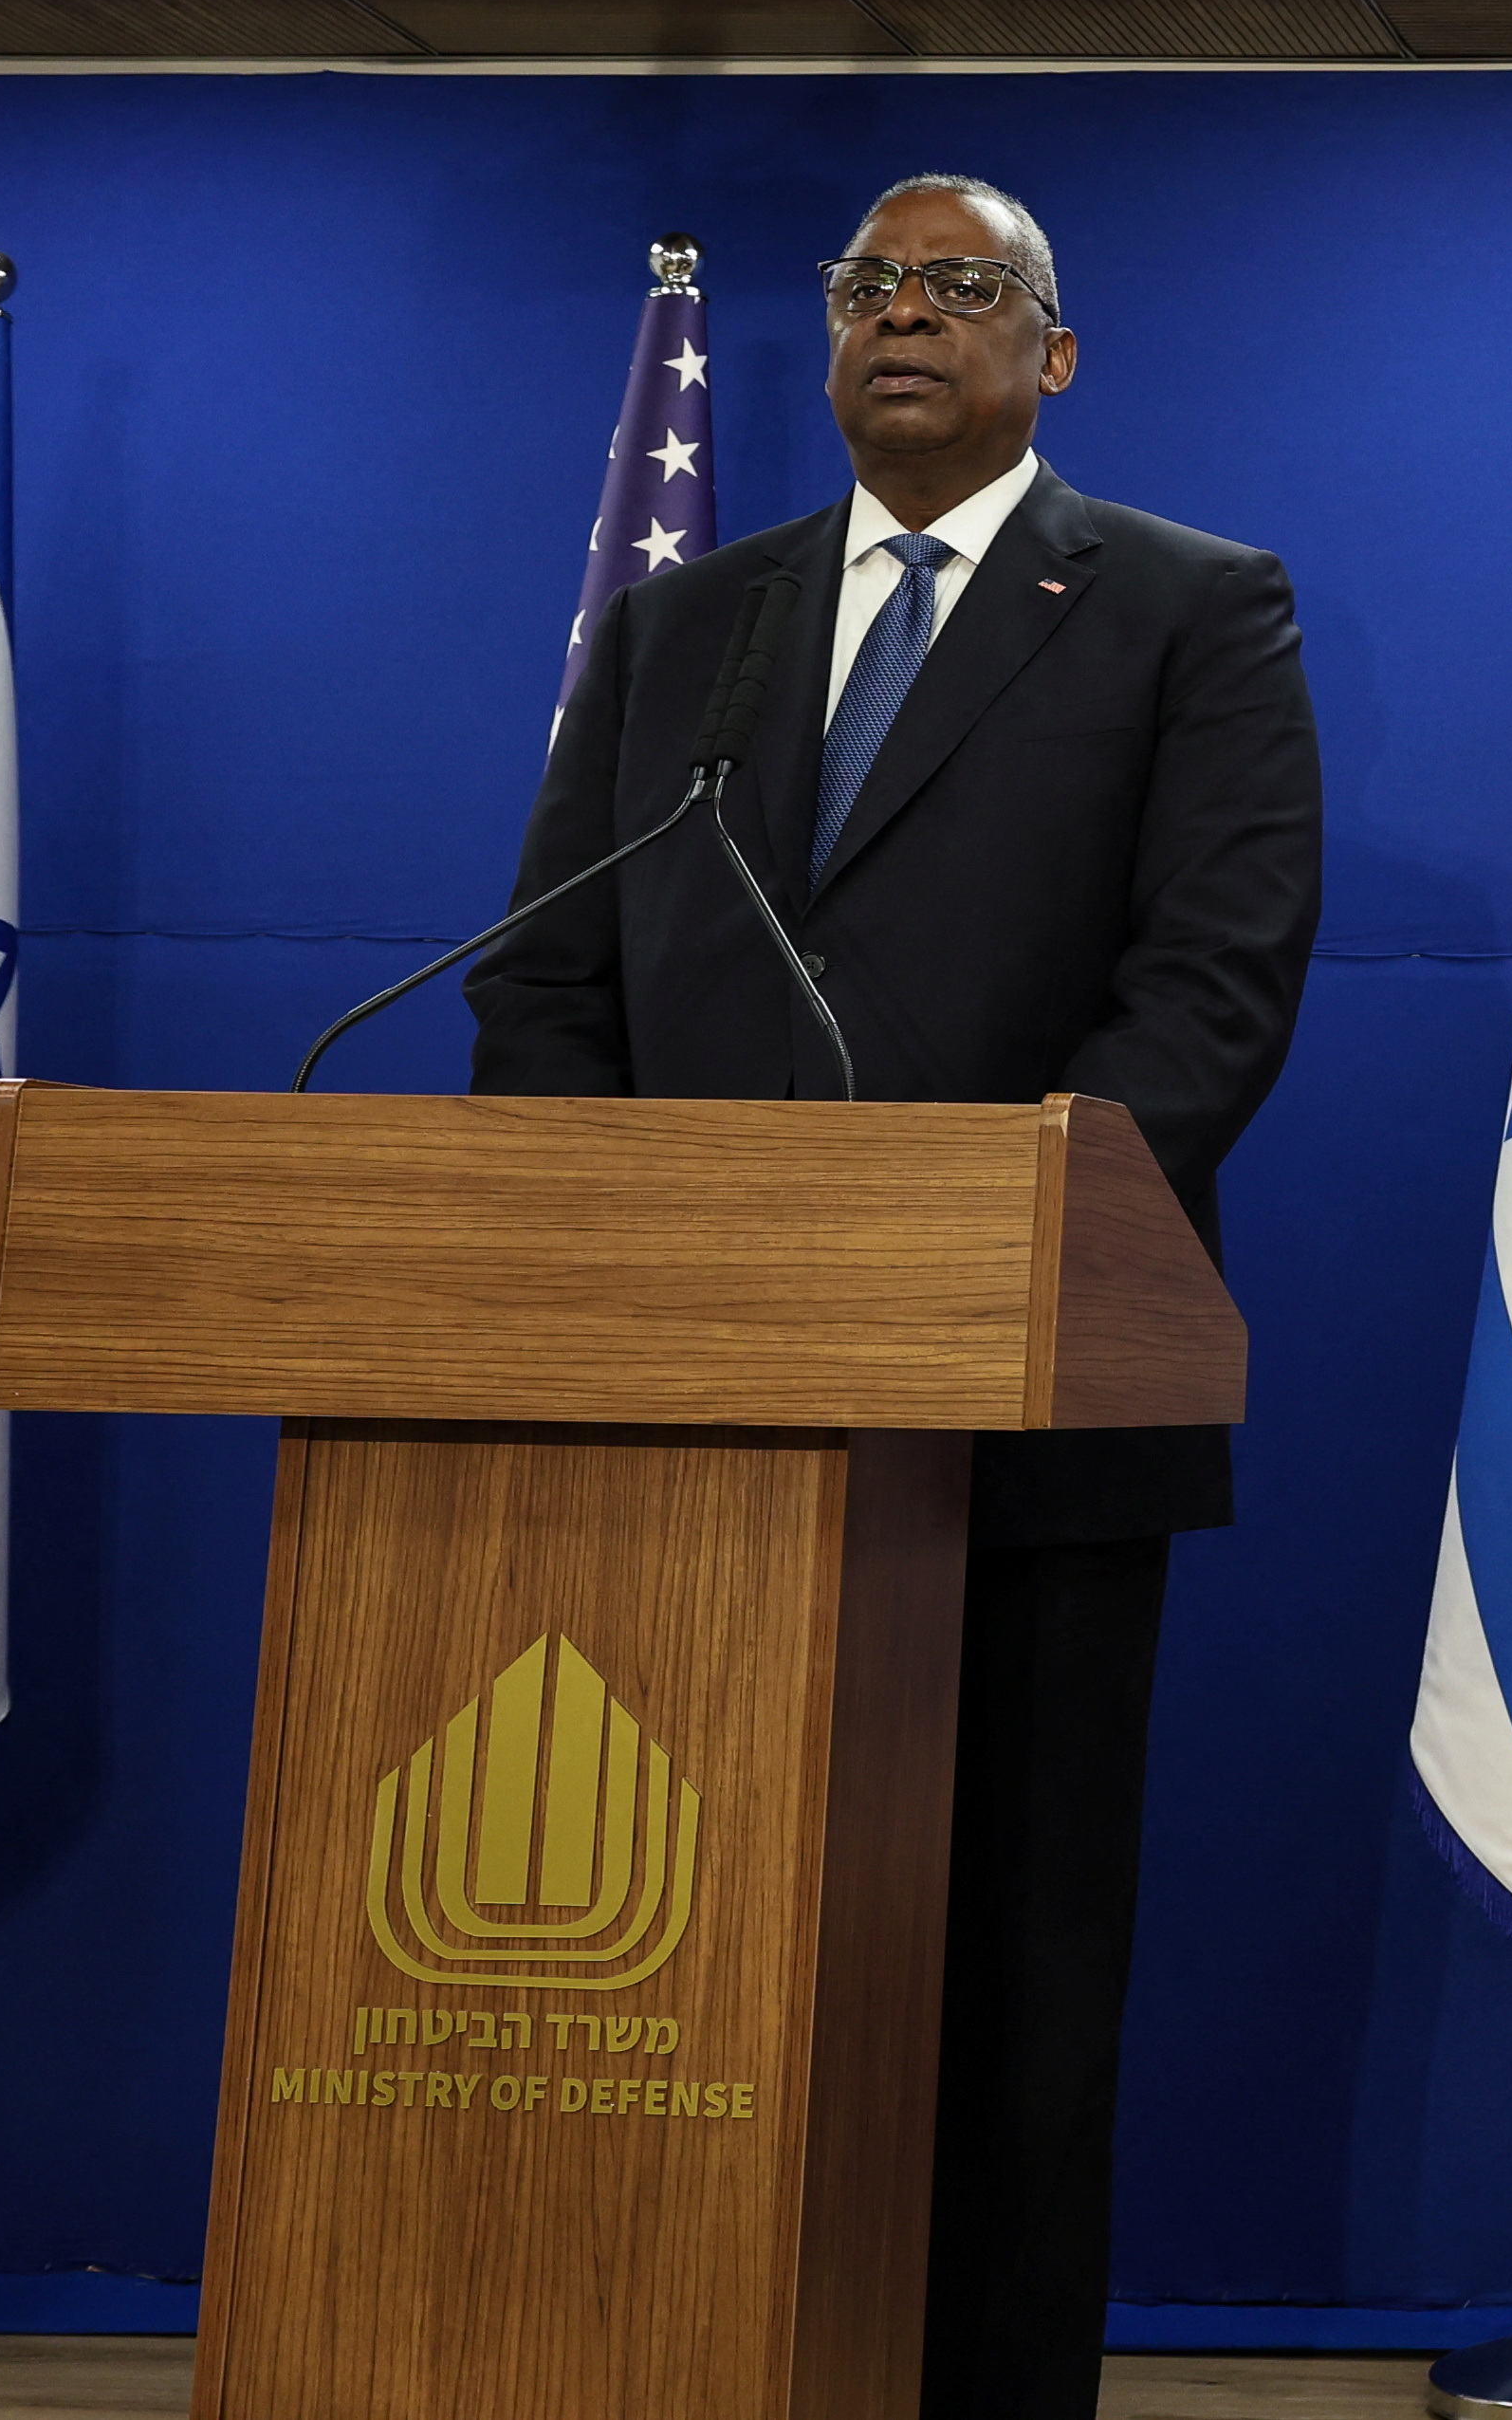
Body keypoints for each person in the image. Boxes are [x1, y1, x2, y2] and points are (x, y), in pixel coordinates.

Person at [470, 174, 1321, 2420]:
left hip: (1024, 1422)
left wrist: (962, 1247)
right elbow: (551, 978)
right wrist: (623, 1263)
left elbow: (1209, 996)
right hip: (683, 1429)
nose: (904, 317)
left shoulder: (1185, 609)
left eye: (962, 288)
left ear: (1055, 352)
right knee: (688, 1963)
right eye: (868, 287)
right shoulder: (690, 632)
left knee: (1005, 1996)